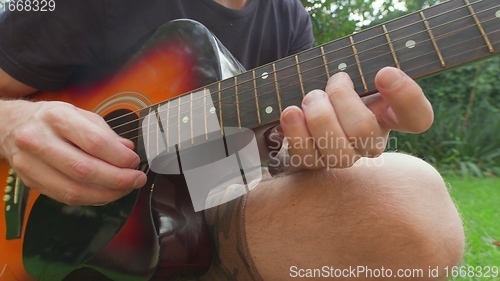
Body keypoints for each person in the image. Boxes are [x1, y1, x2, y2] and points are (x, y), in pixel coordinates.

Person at [0, 0, 464, 280]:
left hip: (207, 209)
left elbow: (271, 157)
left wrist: (315, 150)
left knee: (409, 210)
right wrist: (13, 123)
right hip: (35, 228)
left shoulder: (290, 18)